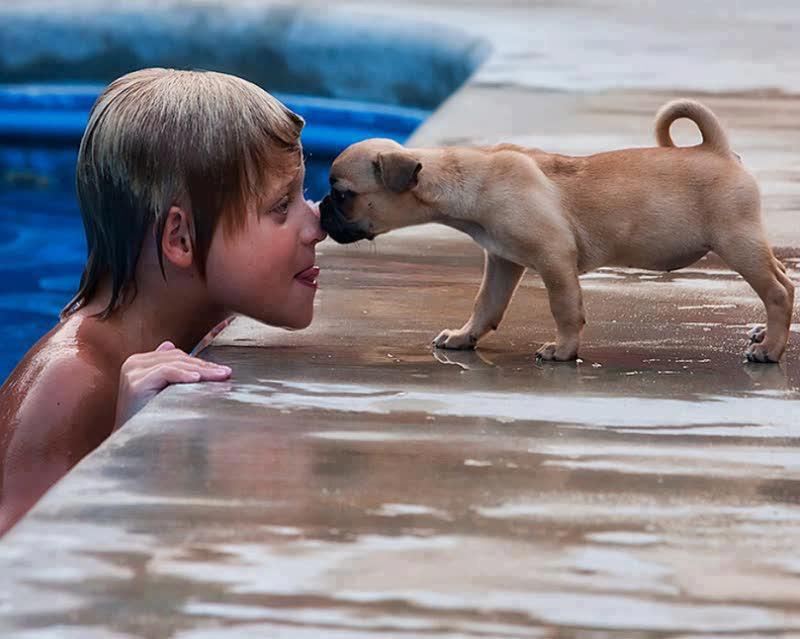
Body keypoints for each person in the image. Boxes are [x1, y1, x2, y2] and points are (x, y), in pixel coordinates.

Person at [0, 68, 326, 535]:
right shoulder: (72, 382)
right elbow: (18, 568)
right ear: (180, 238)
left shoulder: (170, 333)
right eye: (281, 207)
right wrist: (129, 450)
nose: (317, 226)